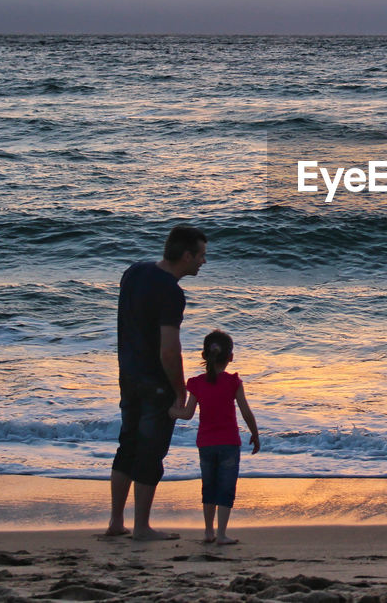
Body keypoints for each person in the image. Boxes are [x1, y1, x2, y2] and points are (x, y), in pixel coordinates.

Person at [105, 224, 207, 541]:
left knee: (128, 446)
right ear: (186, 255)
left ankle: (115, 522)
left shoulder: (134, 272)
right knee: (151, 453)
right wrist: (180, 390)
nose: (203, 262)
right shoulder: (171, 293)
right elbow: (169, 348)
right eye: (201, 256)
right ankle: (142, 528)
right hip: (155, 383)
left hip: (128, 375)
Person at [169, 330, 261, 545]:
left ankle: (208, 532)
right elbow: (246, 412)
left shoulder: (198, 383)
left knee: (209, 486)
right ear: (230, 357)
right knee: (226, 488)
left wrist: (170, 412)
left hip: (206, 444)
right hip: (229, 443)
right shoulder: (233, 383)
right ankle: (221, 534)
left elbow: (187, 414)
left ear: (204, 355)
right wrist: (255, 435)